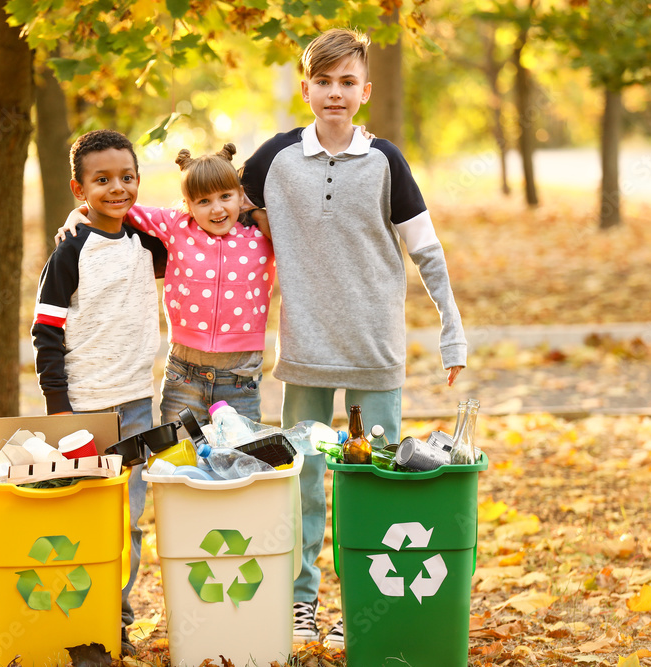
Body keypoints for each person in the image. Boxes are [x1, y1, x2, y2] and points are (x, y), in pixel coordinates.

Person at [238, 28, 467, 650]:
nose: (334, 93)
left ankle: (365, 600)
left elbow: (428, 253)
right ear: (305, 87)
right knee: (304, 477)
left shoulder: (386, 161)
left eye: (347, 83)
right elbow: (214, 211)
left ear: (364, 92)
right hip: (306, 351)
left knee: (373, 483)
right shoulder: (275, 158)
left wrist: (453, 332)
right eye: (323, 81)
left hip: (374, 350)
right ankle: (301, 602)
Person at [30, 128, 167, 657]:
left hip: (136, 403)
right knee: (85, 518)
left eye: (127, 177)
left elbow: (189, 235)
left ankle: (118, 617)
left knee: (127, 521)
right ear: (77, 189)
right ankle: (82, 619)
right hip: (85, 406)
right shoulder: (70, 252)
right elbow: (46, 330)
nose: (117, 188)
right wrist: (57, 407)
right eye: (102, 180)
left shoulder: (143, 243)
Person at [59, 143, 275, 425]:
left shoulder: (261, 235)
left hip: (240, 378)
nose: (217, 208)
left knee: (239, 463)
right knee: (177, 462)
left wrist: (259, 213)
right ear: (188, 204)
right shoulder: (177, 225)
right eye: (204, 201)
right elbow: (121, 207)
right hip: (183, 375)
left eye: (226, 196)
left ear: (241, 197)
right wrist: (82, 211)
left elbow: (300, 232)